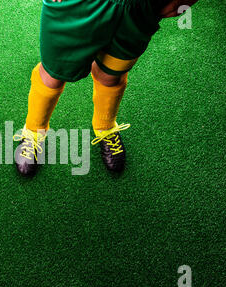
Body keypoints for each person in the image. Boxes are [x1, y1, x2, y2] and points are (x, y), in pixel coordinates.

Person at [14, 0, 199, 176]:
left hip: (140, 8)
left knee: (111, 76)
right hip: (80, 5)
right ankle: (33, 131)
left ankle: (104, 126)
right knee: (53, 75)